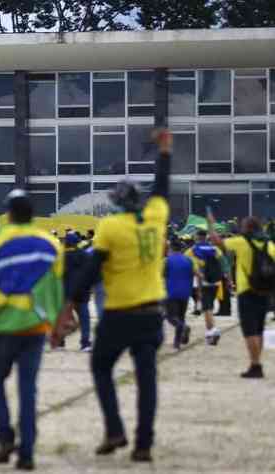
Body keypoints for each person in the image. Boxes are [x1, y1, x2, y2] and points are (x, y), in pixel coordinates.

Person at [54, 128, 173, 462]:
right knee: (147, 379)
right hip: (152, 313)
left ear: (118, 203)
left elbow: (91, 271)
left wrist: (67, 304)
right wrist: (165, 152)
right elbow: (162, 186)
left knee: (102, 367)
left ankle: (114, 428)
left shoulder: (111, 228)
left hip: (120, 313)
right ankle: (144, 444)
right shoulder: (156, 218)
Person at [0, 190, 64, 470]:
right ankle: (27, 453)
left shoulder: (1, 242)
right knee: (28, 390)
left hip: (4, 328)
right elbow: (55, 290)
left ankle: (6, 436)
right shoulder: (51, 244)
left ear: (10, 214)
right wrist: (57, 325)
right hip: (35, 328)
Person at [209, 216, 275, 378]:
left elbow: (217, 242)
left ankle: (255, 365)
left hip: (247, 291)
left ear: (247, 228)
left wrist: (211, 223)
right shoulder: (270, 244)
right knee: (259, 330)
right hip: (265, 291)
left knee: (249, 331)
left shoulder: (241, 242)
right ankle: (256, 363)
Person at [186, 230, 223, 345]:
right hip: (216, 282)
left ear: (197, 237)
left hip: (203, 282)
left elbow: (187, 264)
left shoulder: (191, 251)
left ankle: (211, 332)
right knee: (210, 306)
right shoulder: (215, 249)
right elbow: (223, 263)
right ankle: (211, 330)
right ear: (206, 237)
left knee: (206, 308)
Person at [63, 232, 91, 352]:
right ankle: (85, 343)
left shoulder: (60, 256)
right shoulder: (85, 255)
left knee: (63, 317)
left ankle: (60, 342)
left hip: (66, 292)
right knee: (84, 318)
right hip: (81, 292)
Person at [164, 241, 194, 350]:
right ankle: (177, 342)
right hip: (185, 293)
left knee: (171, 317)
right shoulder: (188, 260)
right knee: (181, 317)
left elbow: (162, 277)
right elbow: (192, 275)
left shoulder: (167, 261)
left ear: (171, 249)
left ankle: (184, 328)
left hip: (171, 293)